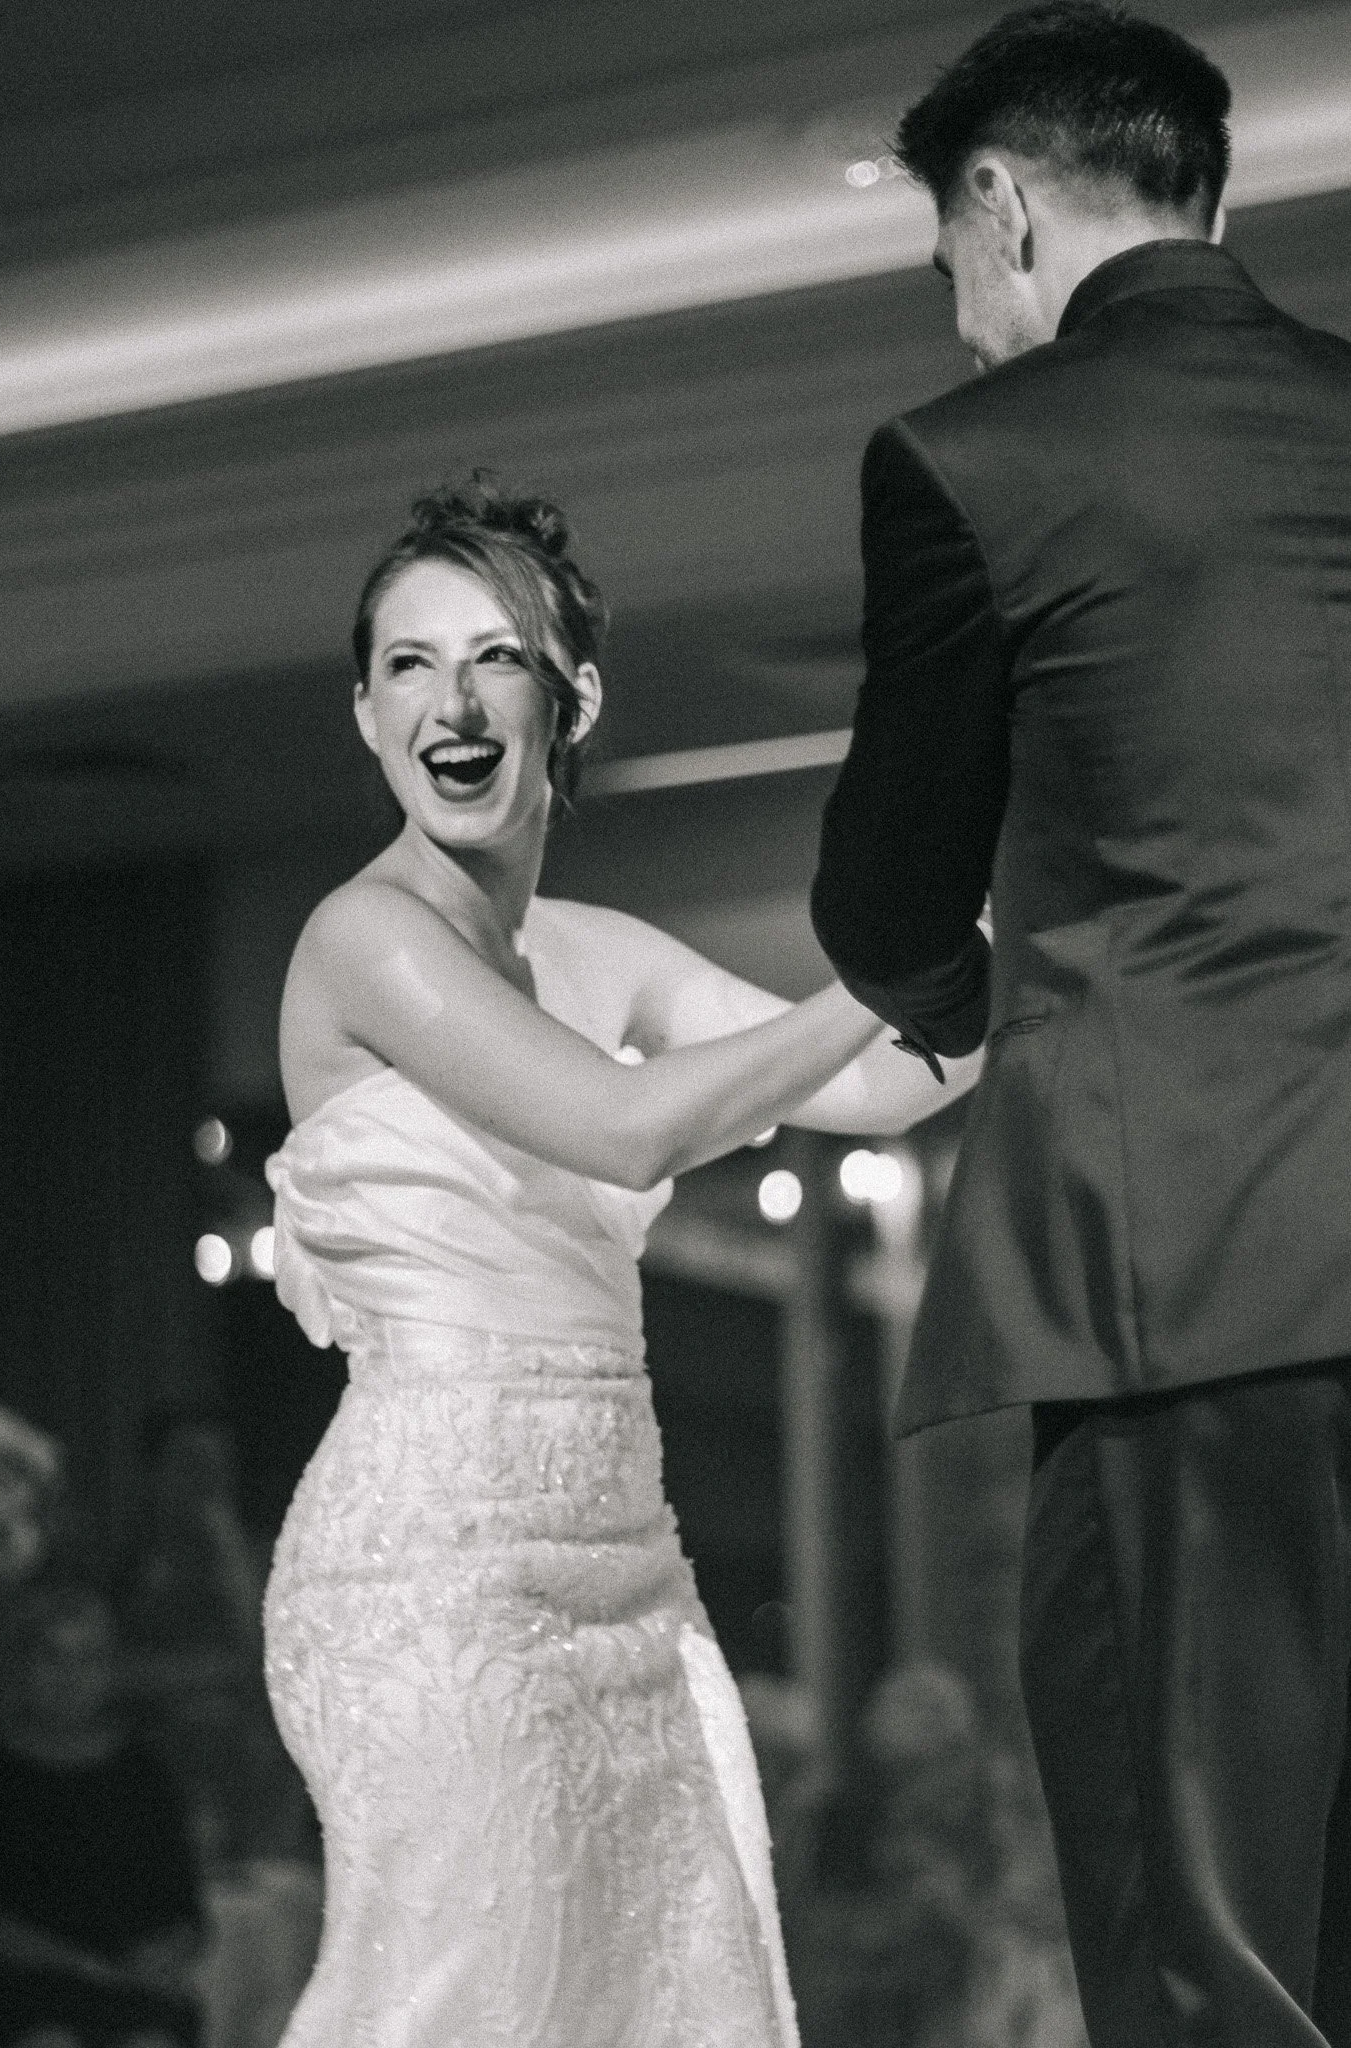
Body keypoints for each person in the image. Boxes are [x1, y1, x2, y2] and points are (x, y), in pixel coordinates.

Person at [261, 473, 980, 2046]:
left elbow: (872, 1084)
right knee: (464, 2002)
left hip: (625, 1571)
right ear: (367, 716)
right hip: (430, 1571)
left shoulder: (594, 951)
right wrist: (898, 976)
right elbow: (631, 1129)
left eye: (494, 658)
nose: (451, 700)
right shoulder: (364, 940)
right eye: (408, 664)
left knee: (656, 1997)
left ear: (570, 698)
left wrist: (1027, 935)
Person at [808, 6, 1351, 2043]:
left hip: (1185, 1283)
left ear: (1005, 206)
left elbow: (880, 892)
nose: (960, 315)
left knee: (1207, 1946)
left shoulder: (977, 457)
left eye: (952, 255)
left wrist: (972, 1013)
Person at [0, 1581, 206, 2048]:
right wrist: (81, 1966)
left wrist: (161, 1957)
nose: (69, 1676)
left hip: (131, 1992)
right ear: (22, 1665)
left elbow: (183, 1904)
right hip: (14, 1993)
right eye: (52, 1657)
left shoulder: (144, 1773)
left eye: (87, 1659)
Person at [112, 1406, 313, 1868]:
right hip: (142, 1756)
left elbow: (272, 1665)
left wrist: (230, 1562)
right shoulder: (123, 1559)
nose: (204, 1482)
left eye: (216, 1466)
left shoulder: (264, 1558)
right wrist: (196, 1674)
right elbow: (95, 1669)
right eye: (189, 1465)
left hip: (245, 1769)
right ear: (155, 1471)